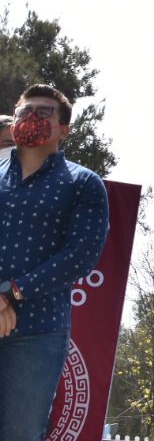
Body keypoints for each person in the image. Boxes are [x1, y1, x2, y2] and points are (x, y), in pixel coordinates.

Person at [0, 84, 110, 441]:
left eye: (43, 112)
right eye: (23, 111)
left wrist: (11, 293)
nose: (30, 117)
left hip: (37, 333)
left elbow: (80, 256)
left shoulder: (84, 184)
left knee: (20, 433)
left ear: (65, 129)